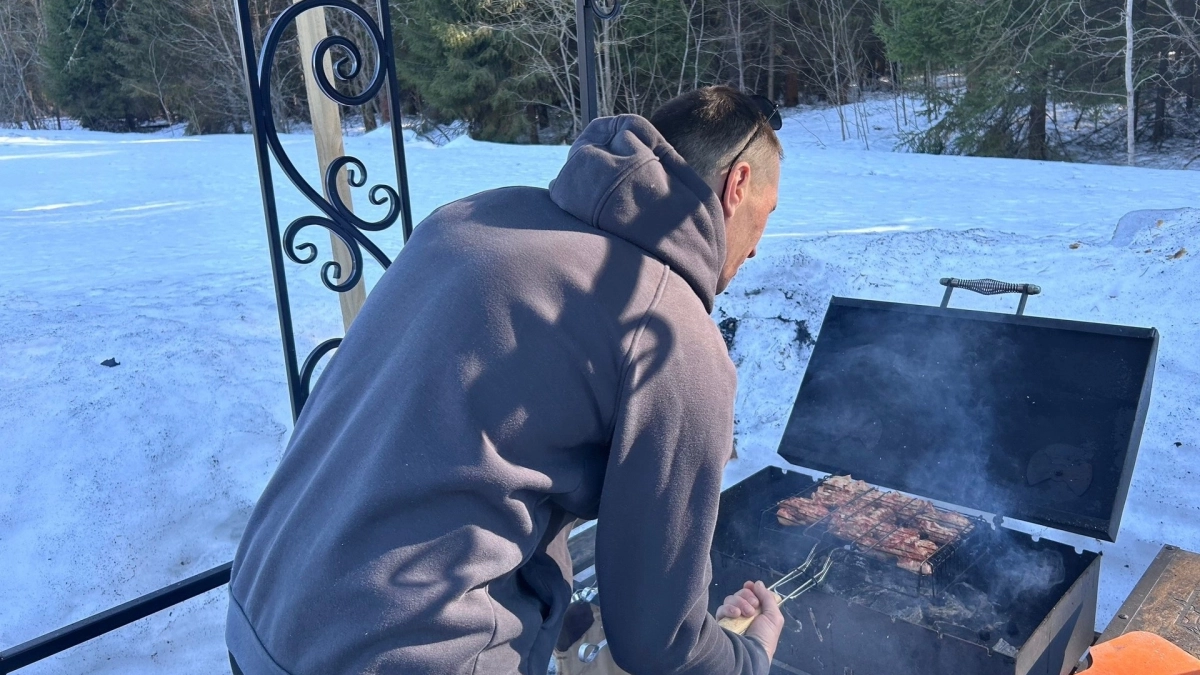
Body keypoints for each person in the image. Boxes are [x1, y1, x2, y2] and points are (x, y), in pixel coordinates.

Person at [225, 85, 785, 675]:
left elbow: (477, 455)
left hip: (260, 615)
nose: (756, 249)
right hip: (412, 655)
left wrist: (551, 607)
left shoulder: (470, 218)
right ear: (737, 185)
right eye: (768, 213)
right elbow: (657, 639)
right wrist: (749, 657)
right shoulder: (672, 331)